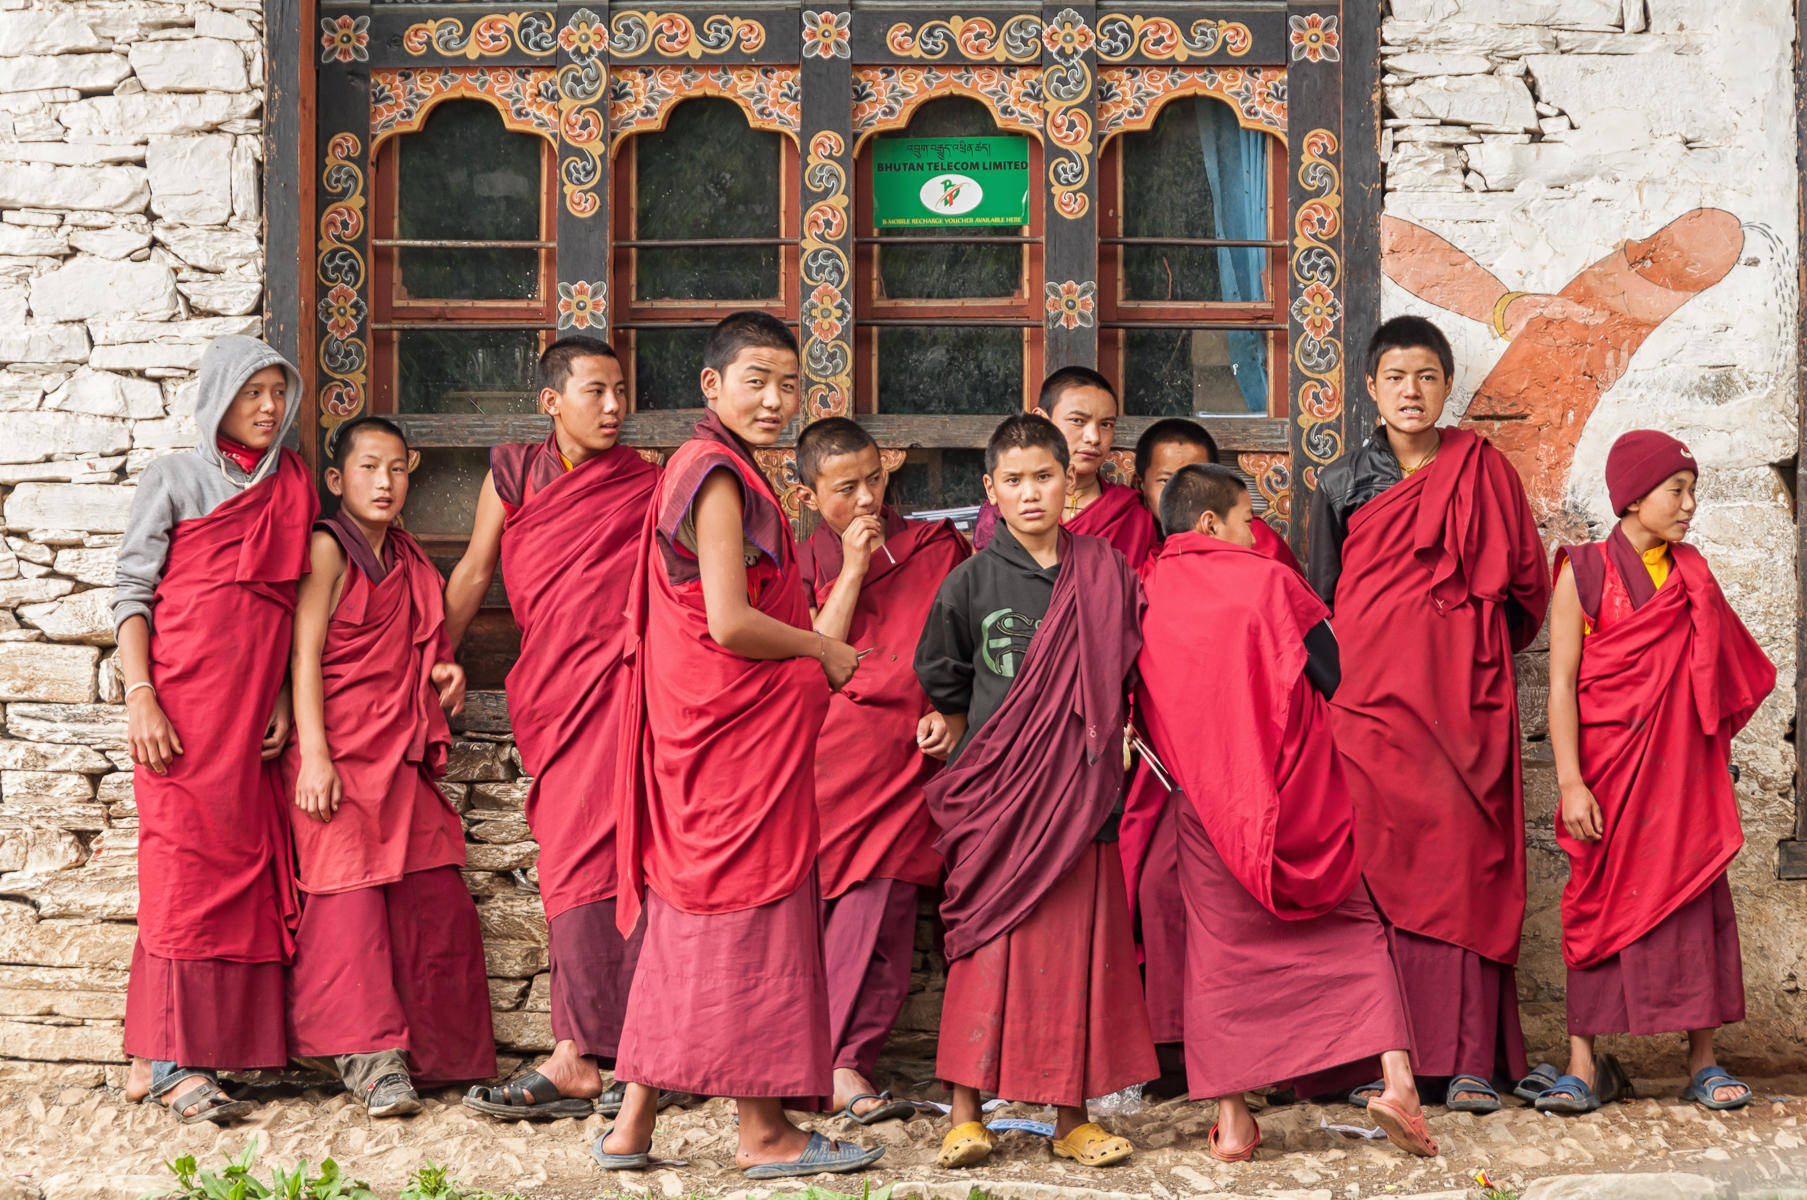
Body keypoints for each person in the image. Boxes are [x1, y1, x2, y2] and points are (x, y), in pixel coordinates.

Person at [597, 313, 883, 1180]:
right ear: (710, 386)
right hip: (733, 745)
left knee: (689, 921)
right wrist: (822, 650)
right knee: (755, 921)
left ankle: (631, 1122)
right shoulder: (715, 475)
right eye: (755, 379)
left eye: (789, 384)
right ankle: (763, 1133)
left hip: (716, 739)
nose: (774, 399)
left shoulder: (712, 467)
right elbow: (727, 621)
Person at [1138, 464, 1437, 1160]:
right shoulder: (1268, 581)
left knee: (1217, 955)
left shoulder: (1144, 594)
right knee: (1353, 929)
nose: (1254, 533)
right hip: (1292, 794)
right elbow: (1330, 675)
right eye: (1247, 520)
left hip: (1208, 808)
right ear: (1211, 522)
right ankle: (1396, 1083)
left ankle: (1235, 1121)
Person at [1308, 316, 1550, 1113]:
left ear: (1446, 389)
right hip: (1370, 717)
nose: (1410, 392)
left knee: (1464, 874)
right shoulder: (1340, 485)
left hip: (1464, 710)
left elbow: (1523, 596)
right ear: (1370, 390)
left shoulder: (1484, 472)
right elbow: (1317, 609)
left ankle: (1471, 1060)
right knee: (1375, 878)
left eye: (1426, 377)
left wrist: (1456, 654)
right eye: (1395, 378)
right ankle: (1374, 1062)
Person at [915, 413, 1158, 1171]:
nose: (1030, 493)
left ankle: (1070, 1116)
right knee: (984, 946)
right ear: (990, 489)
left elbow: (1131, 666)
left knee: (1075, 955)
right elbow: (942, 670)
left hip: (1078, 793)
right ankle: (964, 1113)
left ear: (1071, 481)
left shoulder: (1105, 570)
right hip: (999, 796)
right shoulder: (970, 579)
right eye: (1013, 481)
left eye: (1043, 477)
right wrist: (951, 722)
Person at [443, 337, 666, 1121]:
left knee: (638, 855)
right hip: (559, 694)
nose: (613, 408)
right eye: (595, 391)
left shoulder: (648, 485)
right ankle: (585, 1049)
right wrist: (433, 655)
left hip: (632, 694)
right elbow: (474, 572)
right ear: (551, 401)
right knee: (574, 860)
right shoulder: (511, 476)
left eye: (619, 393)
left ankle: (630, 1049)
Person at [1537, 431, 1774, 1115]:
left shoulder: (1691, 575)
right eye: (1677, 490)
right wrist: (1570, 781)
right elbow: (1560, 686)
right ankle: (1583, 1063)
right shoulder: (1579, 573)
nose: (1688, 505)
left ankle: (1701, 1060)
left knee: (1693, 905)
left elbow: (1728, 672)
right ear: (1634, 495)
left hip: (1679, 781)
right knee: (1593, 902)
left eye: (1691, 490)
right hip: (1607, 775)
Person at [115, 336, 317, 1123]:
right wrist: (140, 697)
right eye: (251, 393)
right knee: (179, 879)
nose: (267, 408)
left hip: (250, 719)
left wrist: (281, 700)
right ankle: (166, 1061)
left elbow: (289, 604)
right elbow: (133, 593)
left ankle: (176, 1057)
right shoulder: (174, 478)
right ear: (218, 399)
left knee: (240, 881)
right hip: (178, 714)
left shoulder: (291, 486)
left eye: (277, 393)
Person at [284, 416, 495, 1115]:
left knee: (437, 900)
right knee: (345, 905)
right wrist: (312, 755)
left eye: (398, 468)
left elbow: (417, 643)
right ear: (337, 480)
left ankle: (444, 1057)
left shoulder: (403, 555)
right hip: (336, 755)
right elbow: (303, 654)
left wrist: (440, 671)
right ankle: (372, 1062)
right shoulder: (327, 548)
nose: (386, 482)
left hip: (396, 754)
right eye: (370, 468)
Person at [792, 418, 969, 1125]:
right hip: (822, 753)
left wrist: (953, 716)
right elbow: (813, 651)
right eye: (844, 489)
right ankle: (799, 1060)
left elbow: (962, 646)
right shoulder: (795, 556)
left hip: (904, 752)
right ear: (806, 495)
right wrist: (855, 564)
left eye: (874, 479)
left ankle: (844, 1063)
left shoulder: (933, 548)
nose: (866, 500)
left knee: (883, 917)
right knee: (811, 917)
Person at [1120, 418, 1300, 1093]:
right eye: (1164, 479)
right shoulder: (1139, 571)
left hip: (1247, 758)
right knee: (1161, 894)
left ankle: (1262, 1052)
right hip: (1162, 770)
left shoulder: (1264, 553)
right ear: (1142, 489)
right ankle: (1171, 1048)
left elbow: (1296, 651)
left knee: (1247, 894)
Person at [971, 368, 1158, 570]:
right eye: (1078, 420)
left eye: (1106, 424)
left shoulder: (1131, 515)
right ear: (1042, 420)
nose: (1094, 437)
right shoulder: (1005, 508)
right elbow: (983, 587)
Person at [1133, 417, 1298, 570]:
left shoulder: (1250, 535)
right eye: (1166, 481)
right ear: (1140, 484)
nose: (1181, 493)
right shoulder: (1131, 531)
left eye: (1196, 482)